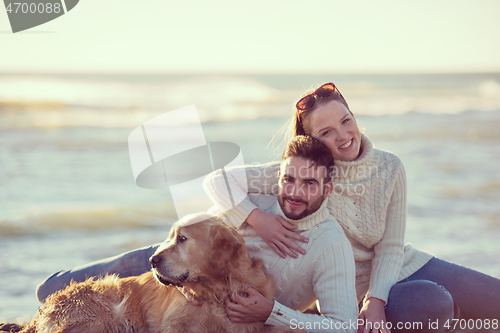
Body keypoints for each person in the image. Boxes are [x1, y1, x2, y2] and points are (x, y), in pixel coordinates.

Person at [203, 82, 500, 333]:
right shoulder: (308, 176)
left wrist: (377, 300)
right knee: (433, 302)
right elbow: (217, 182)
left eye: (346, 121)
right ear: (312, 141)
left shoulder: (390, 166)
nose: (343, 136)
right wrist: (257, 219)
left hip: (402, 264)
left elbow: (391, 246)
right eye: (327, 132)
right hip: (353, 289)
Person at [36, 135, 359, 332]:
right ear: (278, 176)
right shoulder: (264, 199)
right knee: (53, 290)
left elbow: (344, 327)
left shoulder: (331, 245)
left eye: (309, 184)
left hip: (192, 272)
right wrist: (256, 217)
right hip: (173, 262)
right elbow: (215, 182)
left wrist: (270, 312)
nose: (294, 193)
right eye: (289, 180)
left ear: (327, 189)